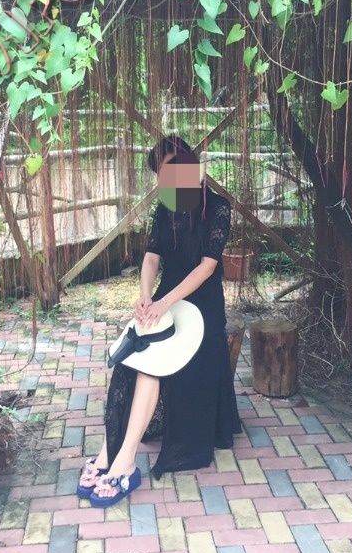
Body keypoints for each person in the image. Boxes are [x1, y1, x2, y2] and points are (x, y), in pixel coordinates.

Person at [77, 134, 241, 505]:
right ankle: (110, 453)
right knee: (133, 359)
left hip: (201, 306)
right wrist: (145, 295)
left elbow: (207, 266)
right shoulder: (166, 206)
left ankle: (125, 461)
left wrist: (164, 302)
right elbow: (152, 256)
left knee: (152, 365)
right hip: (164, 302)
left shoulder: (218, 206)